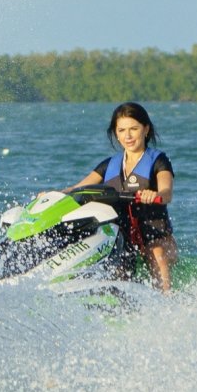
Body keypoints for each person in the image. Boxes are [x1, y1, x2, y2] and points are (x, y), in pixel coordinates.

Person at [60, 101, 177, 292]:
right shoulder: (109, 165)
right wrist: (56, 195)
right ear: (116, 133)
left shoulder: (158, 160)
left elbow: (167, 193)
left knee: (158, 255)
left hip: (155, 233)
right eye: (121, 130)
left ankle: (167, 302)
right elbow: (77, 189)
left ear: (146, 129)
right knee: (116, 267)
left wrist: (154, 194)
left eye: (134, 129)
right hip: (121, 235)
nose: (128, 136)